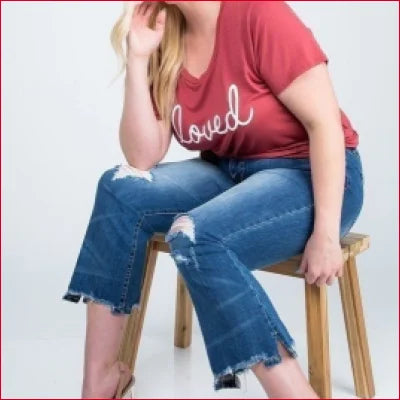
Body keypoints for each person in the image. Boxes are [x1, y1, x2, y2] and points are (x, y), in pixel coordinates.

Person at [61, 1, 365, 398]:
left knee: (195, 236)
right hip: (229, 170)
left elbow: (324, 122)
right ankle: (101, 381)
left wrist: (326, 232)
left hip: (308, 172)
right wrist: (138, 59)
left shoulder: (259, 14)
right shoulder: (167, 35)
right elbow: (142, 156)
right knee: (120, 188)